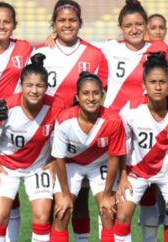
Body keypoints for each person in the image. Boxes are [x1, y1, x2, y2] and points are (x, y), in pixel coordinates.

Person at [34, 0, 108, 241]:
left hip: (81, 137)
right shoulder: (41, 53)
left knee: (81, 197)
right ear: (53, 23)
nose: (67, 25)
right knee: (55, 204)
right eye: (62, 20)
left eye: (72, 20)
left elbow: (101, 95)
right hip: (46, 137)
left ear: (80, 23)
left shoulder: (95, 55)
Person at [100, 0, 168, 241]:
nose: (134, 30)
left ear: (147, 25)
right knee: (113, 195)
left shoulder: (161, 50)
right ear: (121, 27)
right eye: (128, 25)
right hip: (114, 132)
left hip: (145, 133)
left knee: (147, 192)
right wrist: (52, 39)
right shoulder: (109, 48)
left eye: (139, 24)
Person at [0, 53, 63, 241]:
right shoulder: (7, 107)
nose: (34, 91)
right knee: (0, 216)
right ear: (21, 85)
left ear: (47, 87)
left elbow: (63, 137)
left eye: (39, 86)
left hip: (38, 168)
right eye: (29, 85)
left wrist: (52, 160)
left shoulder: (57, 107)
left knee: (42, 217)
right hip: (7, 166)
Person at [113, 52, 168, 242]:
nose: (158, 87)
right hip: (136, 172)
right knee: (122, 215)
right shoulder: (130, 110)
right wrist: (123, 177)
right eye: (153, 82)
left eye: (163, 82)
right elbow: (121, 145)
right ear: (144, 85)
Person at [50, 72, 126, 242]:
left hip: (99, 164)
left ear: (102, 95)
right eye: (85, 93)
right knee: (62, 212)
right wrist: (64, 193)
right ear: (77, 96)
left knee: (108, 211)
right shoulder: (64, 120)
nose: (91, 98)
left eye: (96, 93)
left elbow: (114, 158)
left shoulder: (113, 120)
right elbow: (59, 159)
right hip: (72, 164)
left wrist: (107, 195)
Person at [0, 1, 32, 241]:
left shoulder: (23, 48)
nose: (1, 25)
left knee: (10, 193)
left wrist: (52, 40)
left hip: (13, 131)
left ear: (14, 25)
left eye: (7, 21)